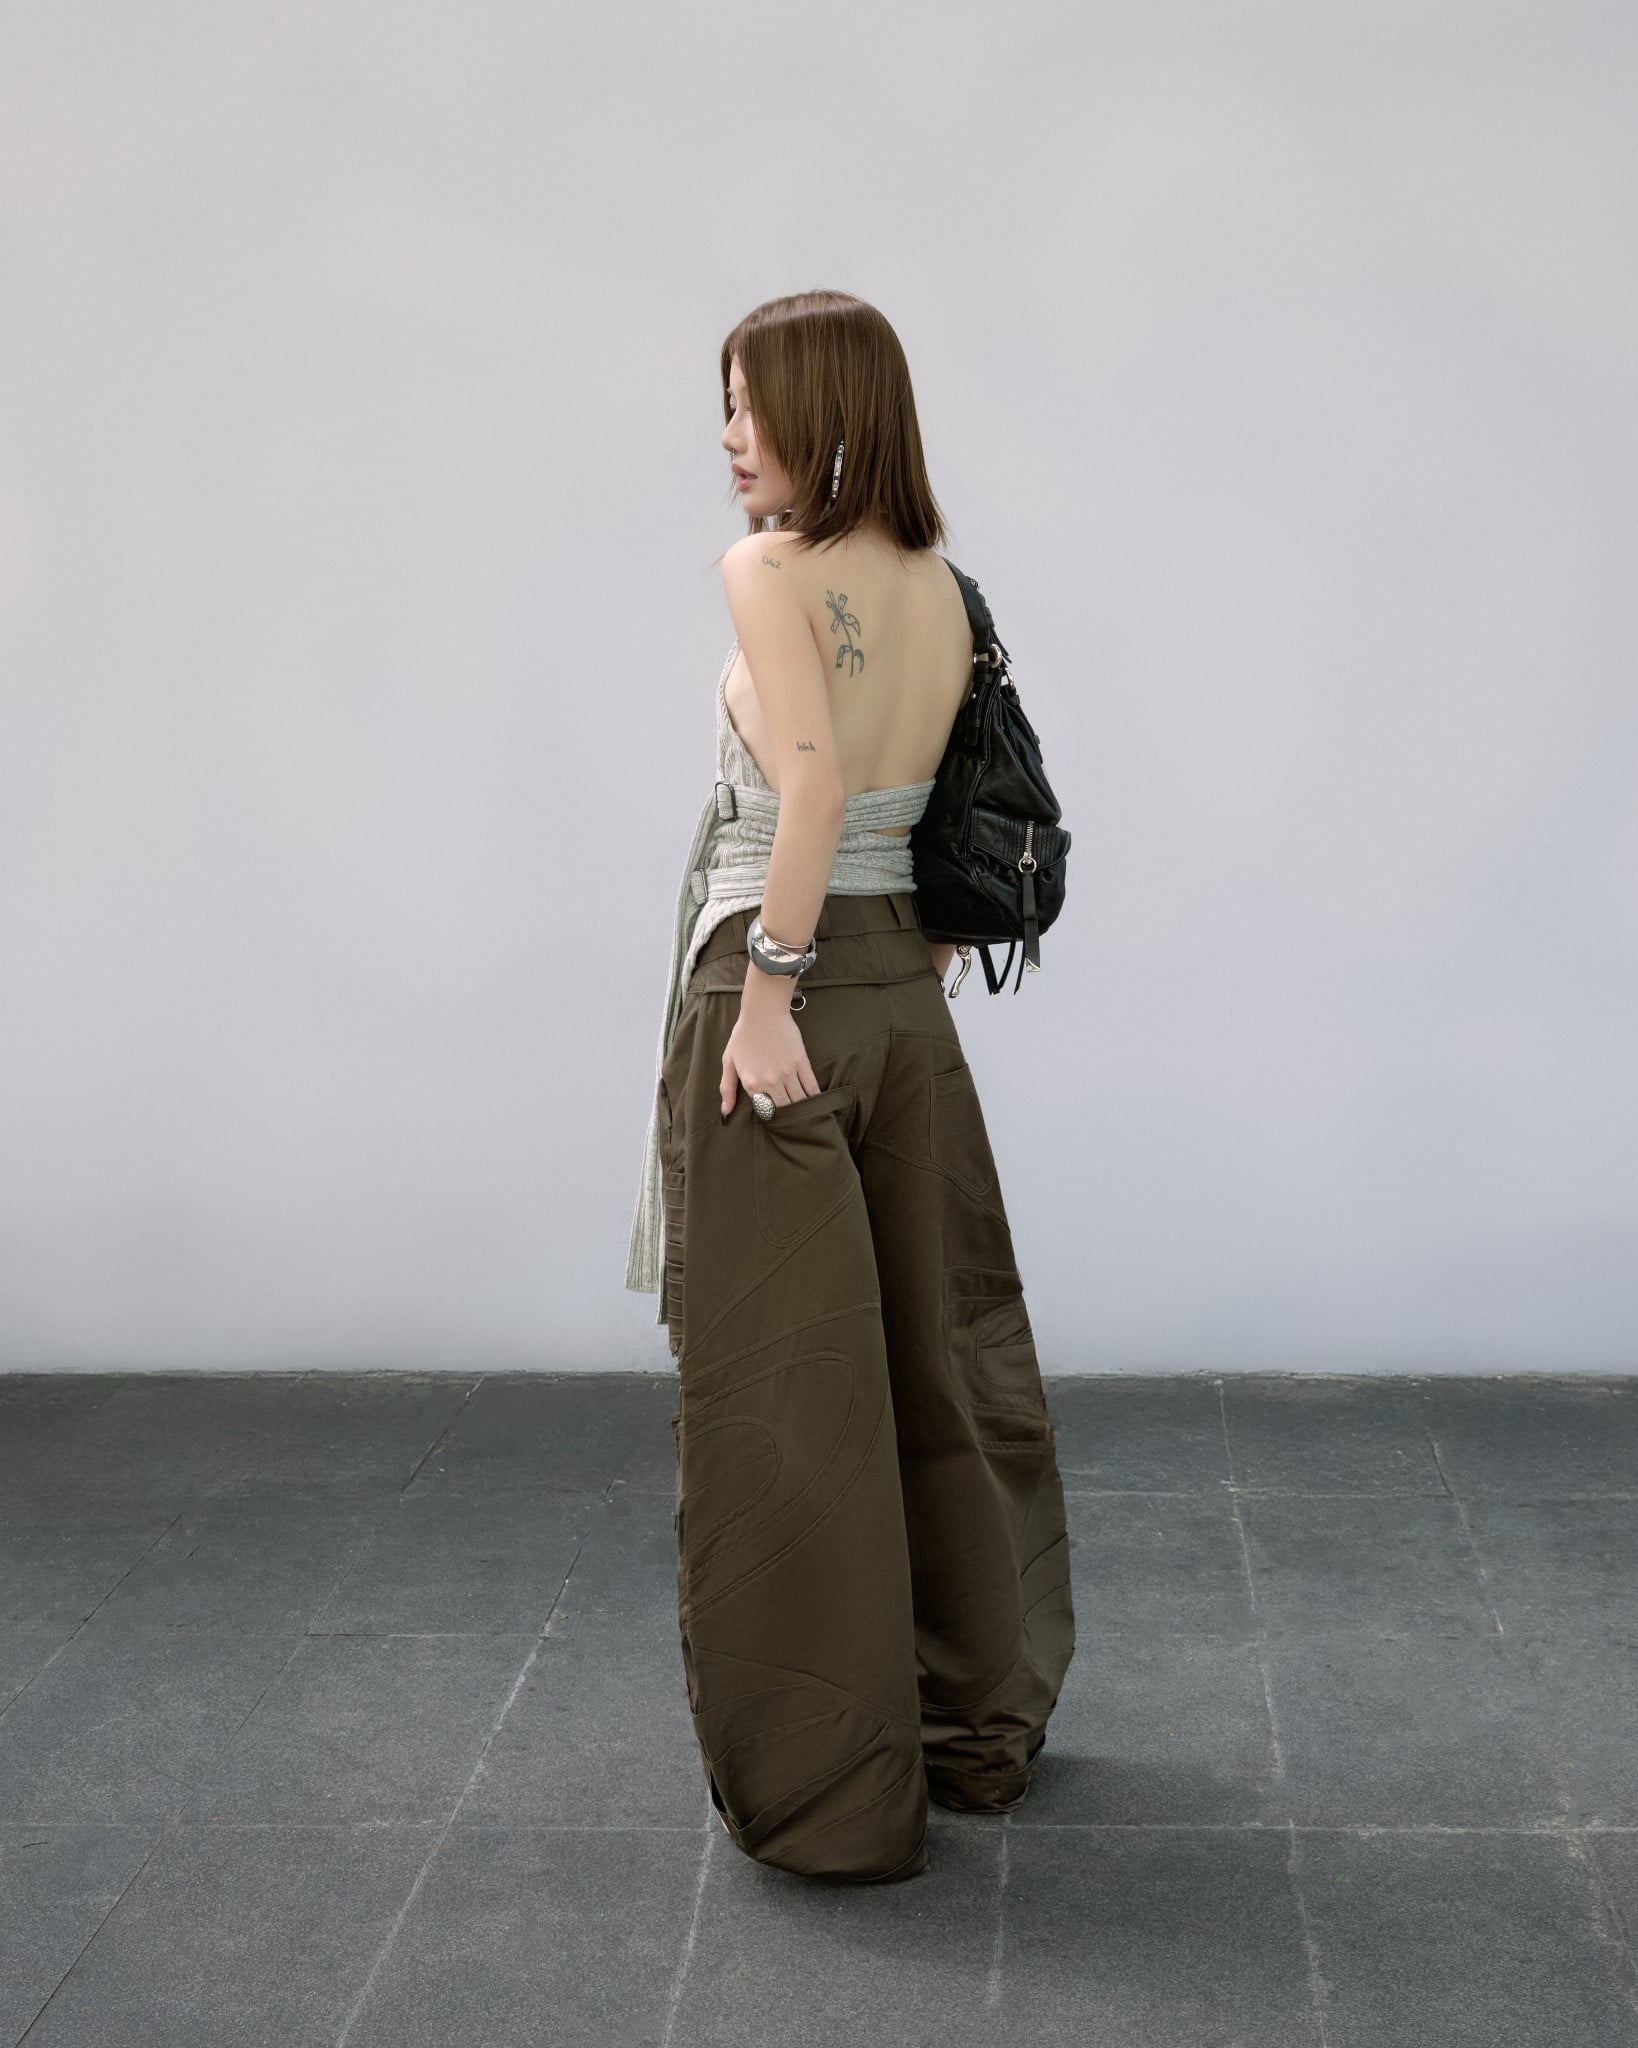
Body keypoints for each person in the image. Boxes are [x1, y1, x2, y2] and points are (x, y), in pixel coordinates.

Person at [625, 289, 1075, 1884]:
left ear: (826, 413)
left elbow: (809, 789)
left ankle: (830, 1802)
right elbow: (937, 801)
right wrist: (887, 975)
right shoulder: (941, 585)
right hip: (901, 997)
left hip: (787, 986)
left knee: (787, 1398)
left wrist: (766, 998)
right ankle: (975, 1731)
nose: (727, 437)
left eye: (747, 405)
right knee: (943, 1363)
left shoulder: (767, 571)